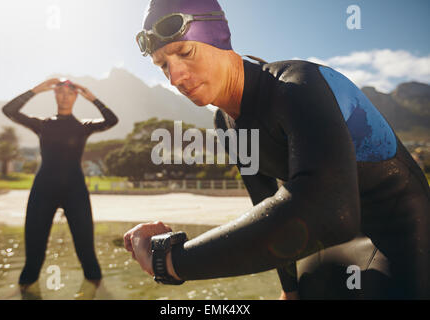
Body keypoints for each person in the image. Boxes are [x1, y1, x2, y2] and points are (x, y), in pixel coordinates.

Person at [124, 0, 429, 299]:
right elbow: (266, 203)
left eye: (185, 52)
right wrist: (290, 288)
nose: (175, 77)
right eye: (163, 65)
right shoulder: (225, 122)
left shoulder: (296, 86)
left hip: (402, 231)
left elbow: (330, 211)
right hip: (334, 242)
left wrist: (172, 262)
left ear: (220, 39)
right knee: (312, 288)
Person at [2, 79, 118, 289]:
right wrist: (37, 89)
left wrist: (90, 96)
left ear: (75, 97)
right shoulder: (43, 124)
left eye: (70, 93)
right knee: (33, 260)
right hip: (42, 192)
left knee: (88, 257)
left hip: (76, 193)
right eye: (61, 92)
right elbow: (9, 109)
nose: (65, 96)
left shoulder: (83, 127)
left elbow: (112, 119)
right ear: (54, 95)